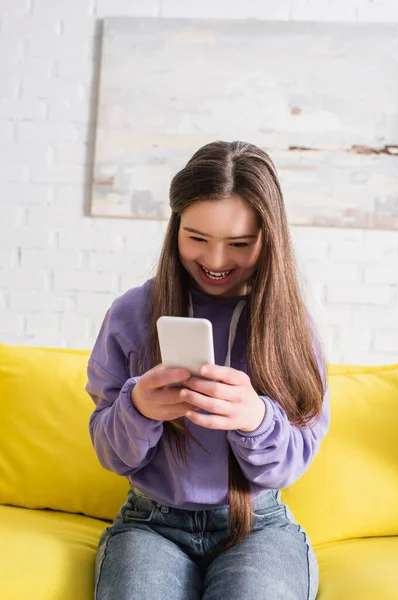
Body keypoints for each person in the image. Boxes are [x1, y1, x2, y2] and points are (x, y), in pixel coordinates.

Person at [86, 140, 330, 600]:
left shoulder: (289, 325)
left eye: (239, 244)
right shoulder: (132, 313)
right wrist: (138, 408)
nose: (215, 262)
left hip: (258, 525)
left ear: (269, 236)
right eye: (196, 238)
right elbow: (110, 452)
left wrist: (255, 419)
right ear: (175, 226)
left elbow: (295, 458)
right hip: (151, 524)